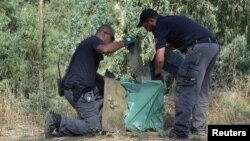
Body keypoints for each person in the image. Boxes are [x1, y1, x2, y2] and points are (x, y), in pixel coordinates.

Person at [137, 9, 219, 139]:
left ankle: (179, 130)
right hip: (212, 46)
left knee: (185, 86)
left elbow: (159, 59)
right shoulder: (170, 21)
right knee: (201, 90)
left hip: (198, 48)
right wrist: (164, 50)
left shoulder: (160, 26)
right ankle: (198, 128)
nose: (146, 29)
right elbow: (176, 43)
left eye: (145, 26)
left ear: (151, 21)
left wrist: (157, 76)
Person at [44, 24, 136, 138]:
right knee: (93, 127)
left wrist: (108, 81)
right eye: (111, 39)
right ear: (104, 33)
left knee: (103, 90)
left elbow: (92, 75)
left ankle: (90, 119)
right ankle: (56, 120)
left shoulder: (87, 45)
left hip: (73, 87)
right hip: (78, 90)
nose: (112, 42)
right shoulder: (94, 40)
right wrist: (124, 42)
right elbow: (105, 49)